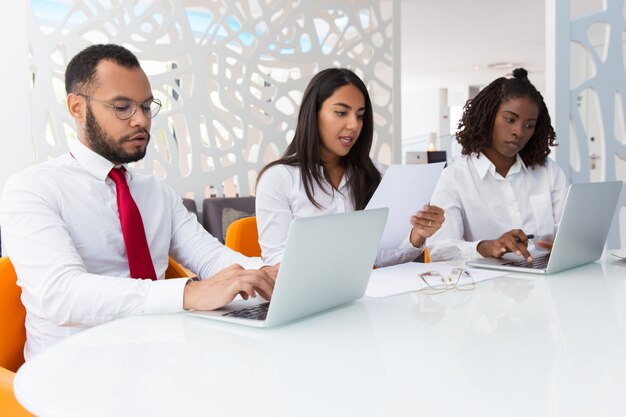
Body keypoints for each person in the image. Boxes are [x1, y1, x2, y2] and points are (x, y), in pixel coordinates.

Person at [0, 44, 277, 360]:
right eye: (122, 107)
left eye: (146, 107)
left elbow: (212, 257)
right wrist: (188, 292)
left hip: (161, 354)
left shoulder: (154, 192)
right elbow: (60, 295)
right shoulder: (33, 188)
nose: (141, 121)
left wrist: (269, 272)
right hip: (75, 368)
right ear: (77, 107)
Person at [255, 68, 445, 267]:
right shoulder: (279, 179)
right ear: (313, 114)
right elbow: (277, 262)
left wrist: (416, 235)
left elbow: (380, 258)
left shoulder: (376, 174)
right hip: (312, 296)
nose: (354, 125)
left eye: (360, 116)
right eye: (341, 113)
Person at [428, 68, 567, 262]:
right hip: (485, 286)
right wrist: (487, 247)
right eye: (510, 120)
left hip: (547, 280)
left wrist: (565, 248)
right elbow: (440, 250)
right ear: (487, 117)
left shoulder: (549, 172)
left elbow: (566, 233)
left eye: (529, 125)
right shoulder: (454, 179)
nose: (519, 131)